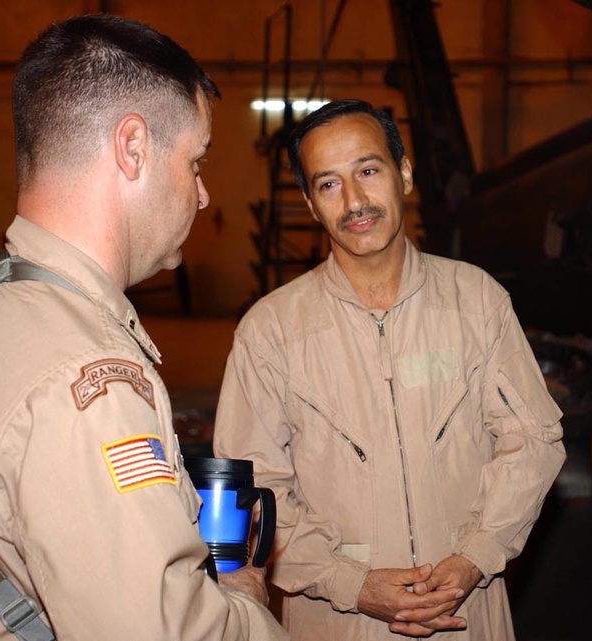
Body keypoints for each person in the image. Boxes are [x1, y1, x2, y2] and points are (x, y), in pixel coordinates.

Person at [0, 14, 288, 641]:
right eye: (195, 161)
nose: (201, 196)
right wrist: (245, 605)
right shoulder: (85, 379)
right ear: (133, 147)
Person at [213, 98, 566, 640]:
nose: (354, 201)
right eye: (328, 185)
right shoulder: (271, 332)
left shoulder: (476, 301)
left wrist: (474, 555)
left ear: (403, 173)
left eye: (368, 171)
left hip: (464, 612)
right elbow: (252, 493)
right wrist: (350, 583)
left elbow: (534, 440)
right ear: (310, 204)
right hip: (337, 619)